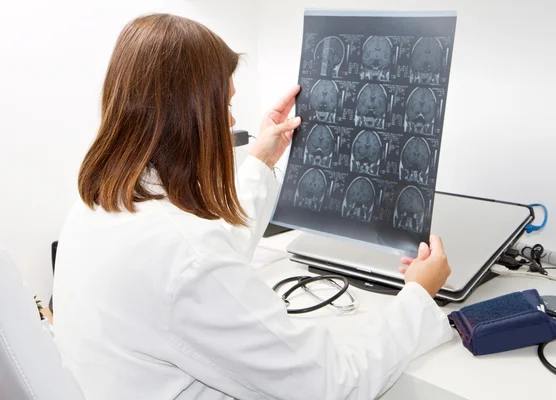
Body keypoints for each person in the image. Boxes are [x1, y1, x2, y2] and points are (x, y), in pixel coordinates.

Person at [52, 13, 453, 400]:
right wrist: (418, 295)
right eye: (223, 106)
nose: (229, 122)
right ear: (190, 117)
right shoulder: (185, 256)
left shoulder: (94, 210)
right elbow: (334, 384)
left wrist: (261, 161)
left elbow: (206, 258)